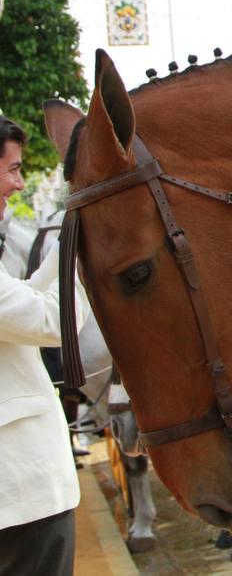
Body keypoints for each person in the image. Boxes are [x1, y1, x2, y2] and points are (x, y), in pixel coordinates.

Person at [0, 117, 85, 575]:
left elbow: (28, 298)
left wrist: (76, 233)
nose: (18, 183)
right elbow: (54, 320)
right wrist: (95, 257)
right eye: (13, 170)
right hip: (19, 497)